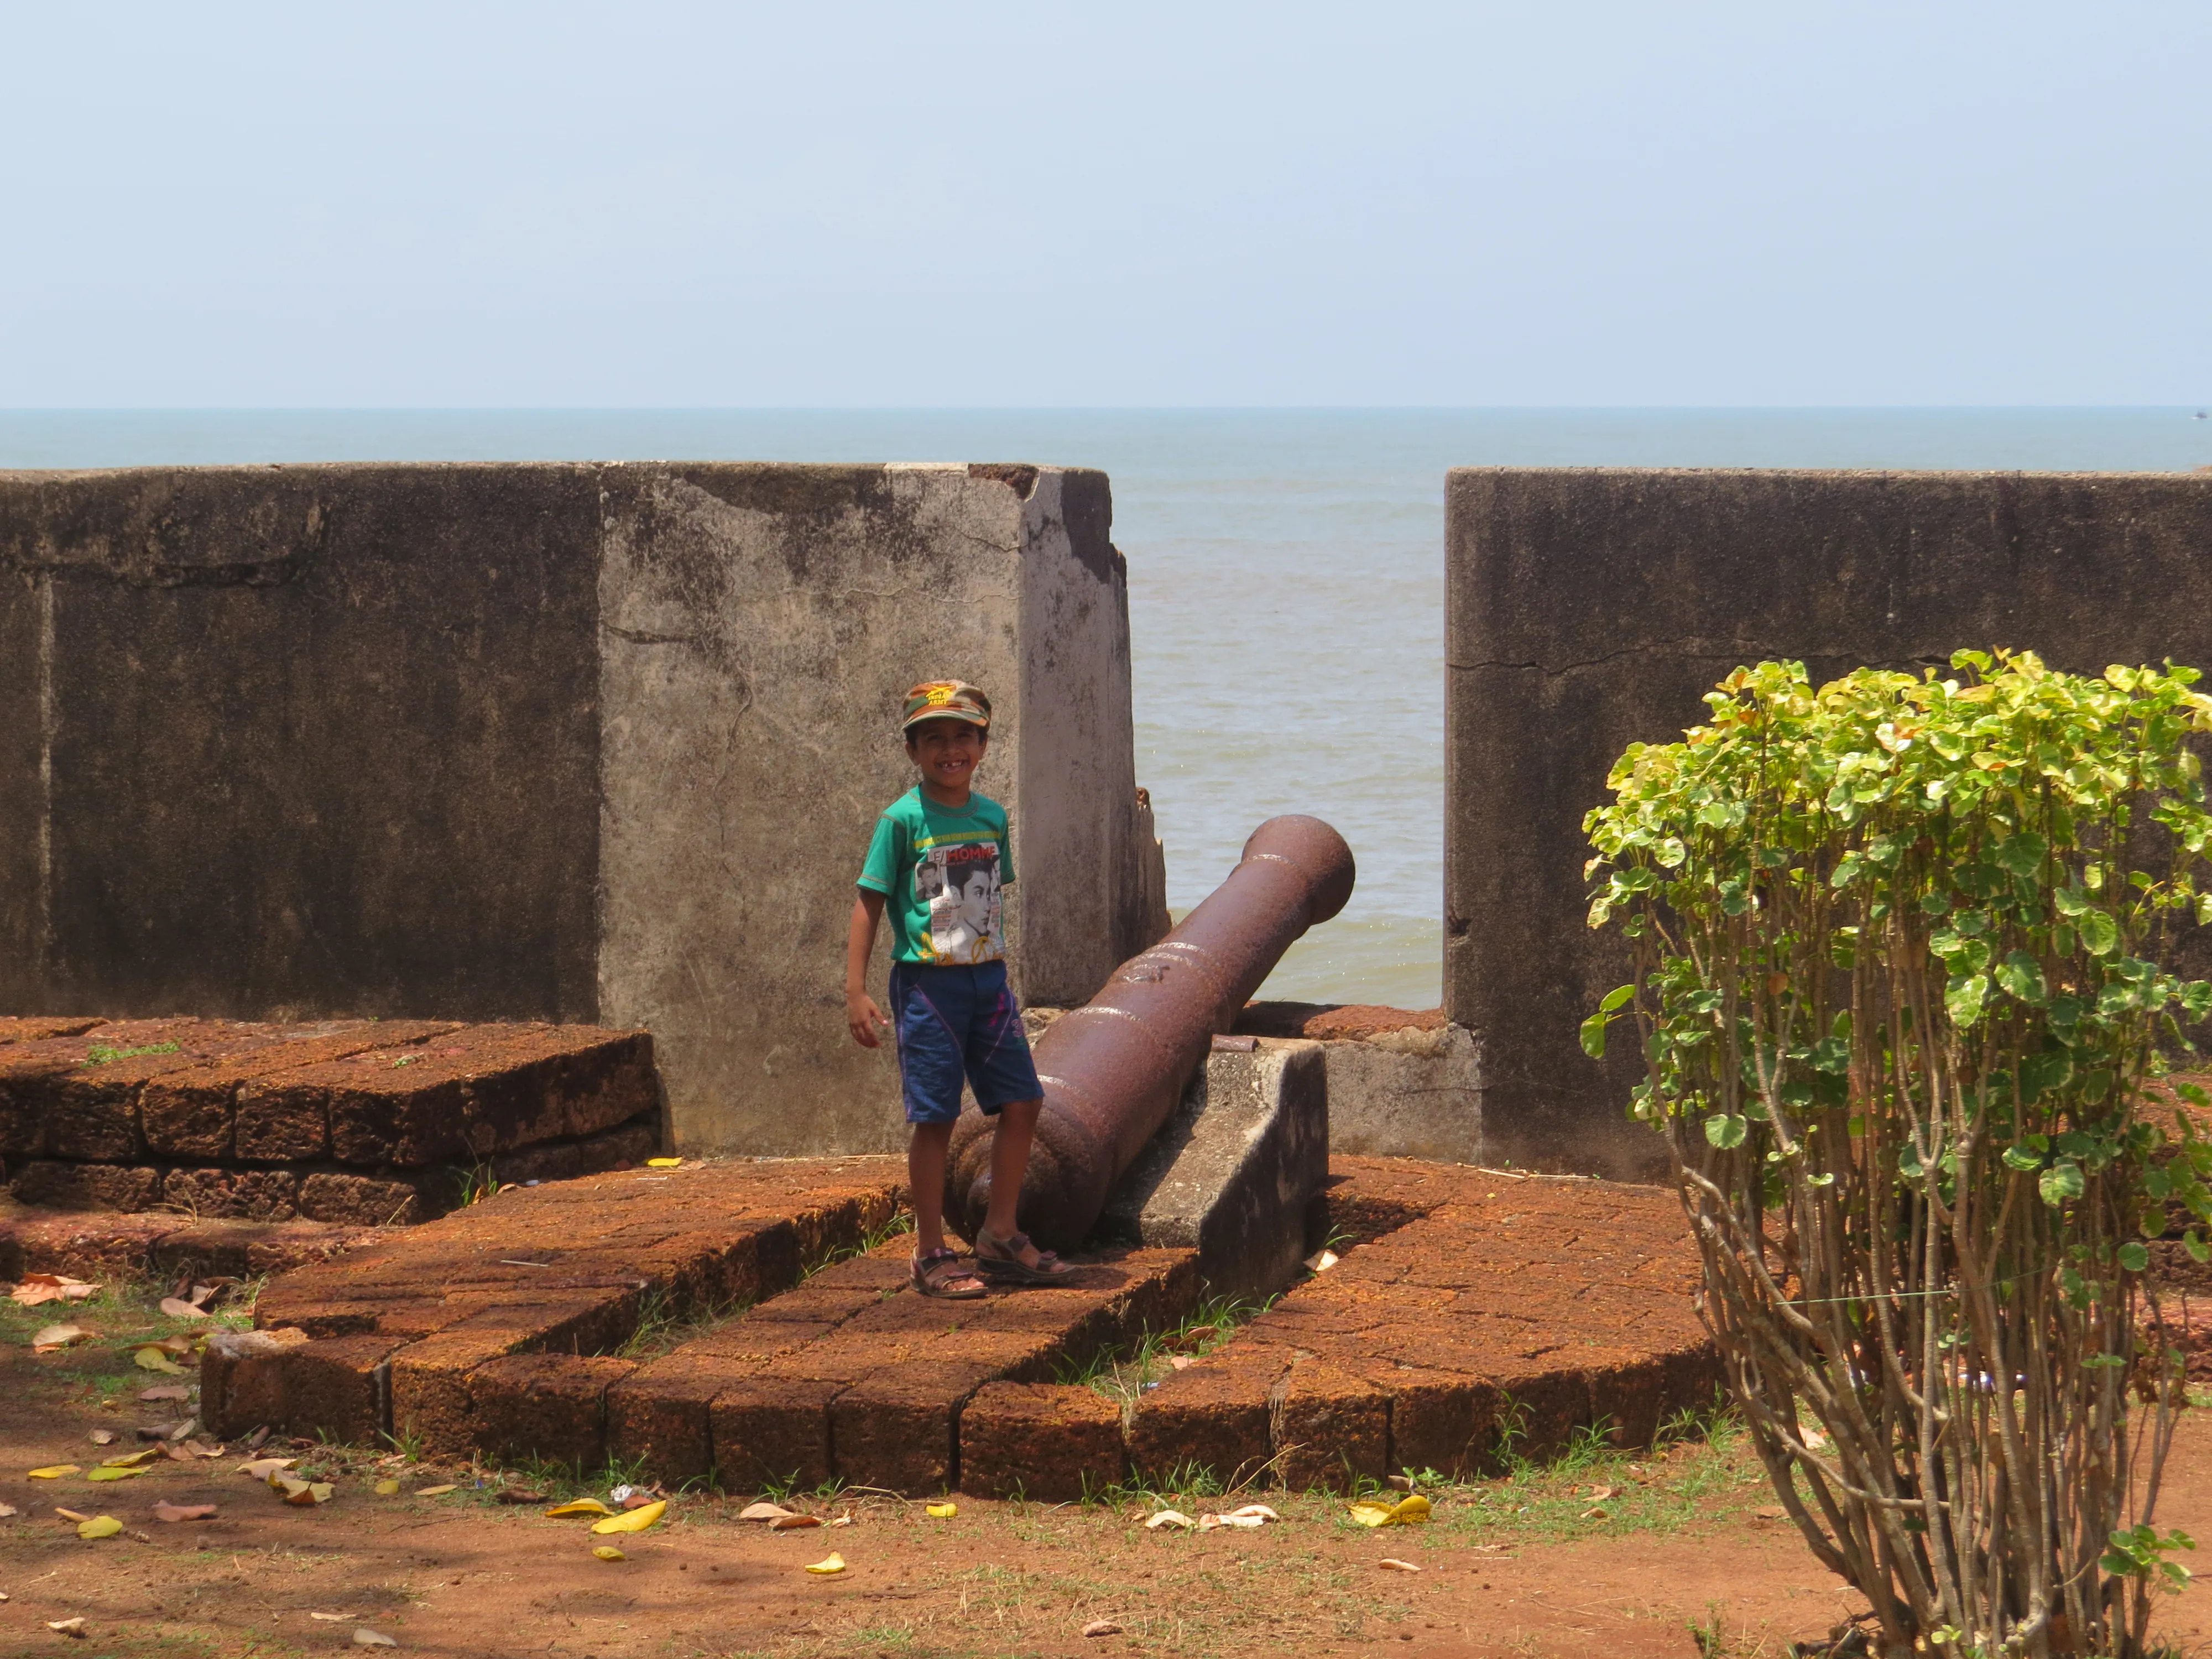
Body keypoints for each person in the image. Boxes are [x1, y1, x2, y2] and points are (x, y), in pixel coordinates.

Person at [845, 679, 1076, 1298]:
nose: (951, 749)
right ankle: (928, 1252)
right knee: (936, 1116)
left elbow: (985, 903)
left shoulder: (991, 816)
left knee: (1022, 1103)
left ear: (982, 744)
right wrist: (855, 989)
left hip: (987, 981)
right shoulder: (902, 819)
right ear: (913, 751)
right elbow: (869, 902)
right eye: (935, 739)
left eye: (963, 737)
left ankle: (999, 1234)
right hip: (927, 988)